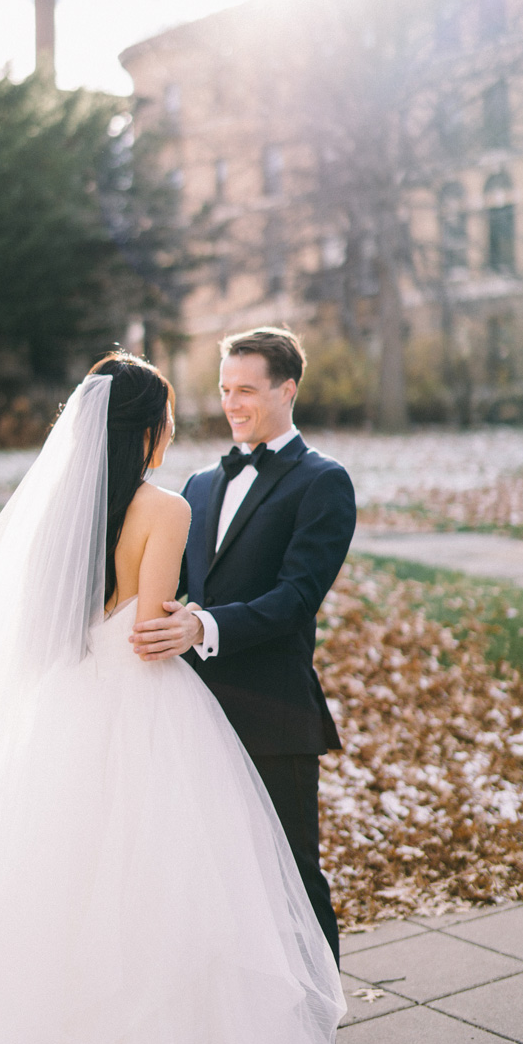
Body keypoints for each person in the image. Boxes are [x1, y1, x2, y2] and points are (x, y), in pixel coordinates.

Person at [0, 353, 344, 1044]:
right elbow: (151, 627)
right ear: (152, 429)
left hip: (67, 699)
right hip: (145, 704)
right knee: (165, 878)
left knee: (52, 872)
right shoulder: (171, 506)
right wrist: (182, 617)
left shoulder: (58, 512)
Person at [131, 328, 356, 964]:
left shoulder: (323, 482)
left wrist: (203, 628)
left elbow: (294, 600)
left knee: (292, 874)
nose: (233, 403)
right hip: (191, 711)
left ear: (287, 390)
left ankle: (318, 1018)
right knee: (211, 875)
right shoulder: (199, 484)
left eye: (248, 391)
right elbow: (177, 586)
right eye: (227, 390)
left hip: (274, 711)